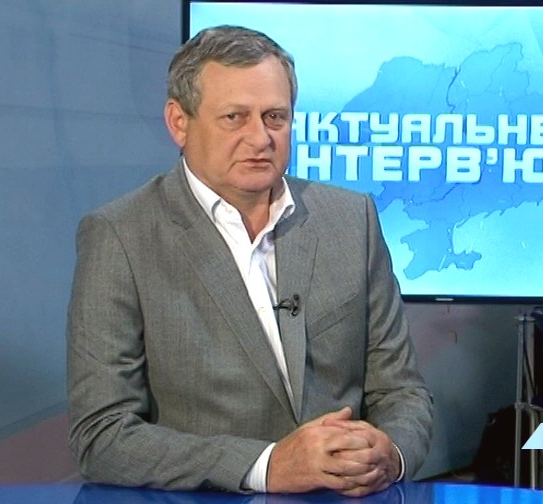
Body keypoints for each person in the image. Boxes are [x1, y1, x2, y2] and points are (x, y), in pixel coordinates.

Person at [67, 25, 433, 497]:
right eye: (234, 117)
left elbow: (402, 392)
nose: (260, 138)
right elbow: (102, 435)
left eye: (275, 117)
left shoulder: (351, 219)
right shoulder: (122, 236)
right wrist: (267, 466)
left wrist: (391, 451)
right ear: (179, 123)